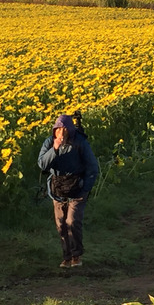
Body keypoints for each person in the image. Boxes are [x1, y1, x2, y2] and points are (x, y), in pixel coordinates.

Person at [38, 114, 99, 268]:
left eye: (64, 129)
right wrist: (55, 149)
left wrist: (85, 188)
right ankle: (66, 257)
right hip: (57, 191)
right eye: (58, 129)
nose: (61, 133)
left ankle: (76, 255)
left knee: (72, 221)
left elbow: (92, 167)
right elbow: (42, 165)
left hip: (77, 189)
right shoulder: (49, 142)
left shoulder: (80, 142)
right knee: (61, 225)